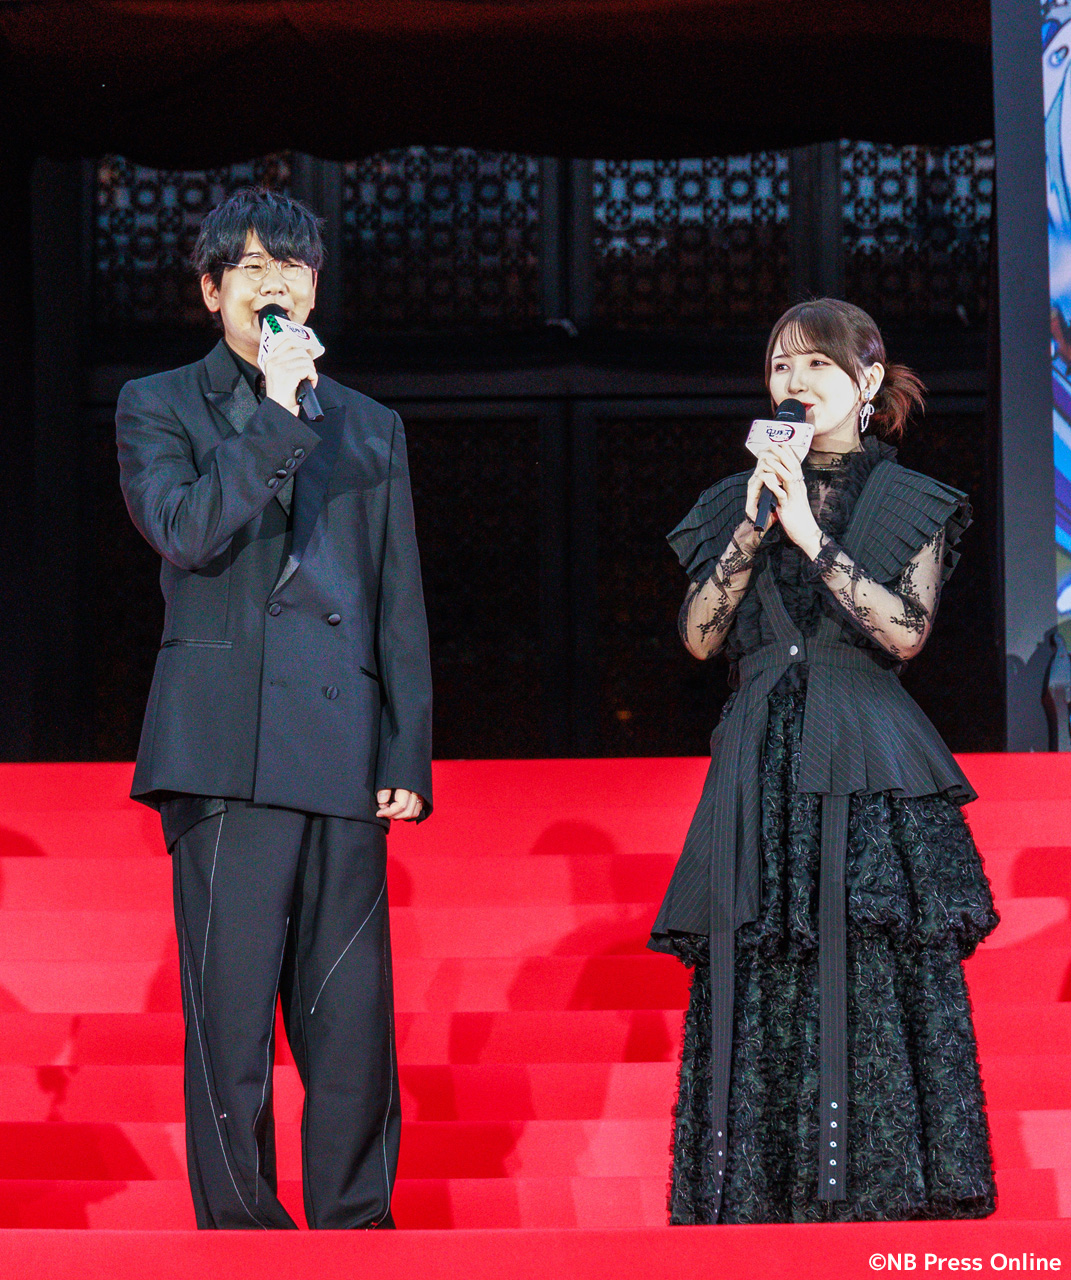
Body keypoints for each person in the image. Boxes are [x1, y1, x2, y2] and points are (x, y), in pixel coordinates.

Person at [115, 187, 432, 1230]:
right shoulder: (158, 404)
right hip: (222, 744)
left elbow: (395, 598)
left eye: (290, 264)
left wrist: (406, 751)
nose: (273, 281)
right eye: (249, 266)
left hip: (341, 740)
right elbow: (187, 529)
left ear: (314, 287)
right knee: (233, 1013)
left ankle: (355, 1222)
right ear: (213, 291)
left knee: (352, 1017)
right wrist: (276, 414)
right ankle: (243, 1232)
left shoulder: (372, 424)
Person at [649, 298, 997, 1224]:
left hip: (864, 754)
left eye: (815, 366)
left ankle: (877, 1183)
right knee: (765, 958)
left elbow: (904, 631)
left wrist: (810, 531)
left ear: (865, 381)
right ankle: (758, 1188)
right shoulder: (735, 499)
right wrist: (754, 526)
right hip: (759, 754)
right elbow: (698, 637)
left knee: (867, 962)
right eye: (780, 366)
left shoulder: (910, 500)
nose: (793, 383)